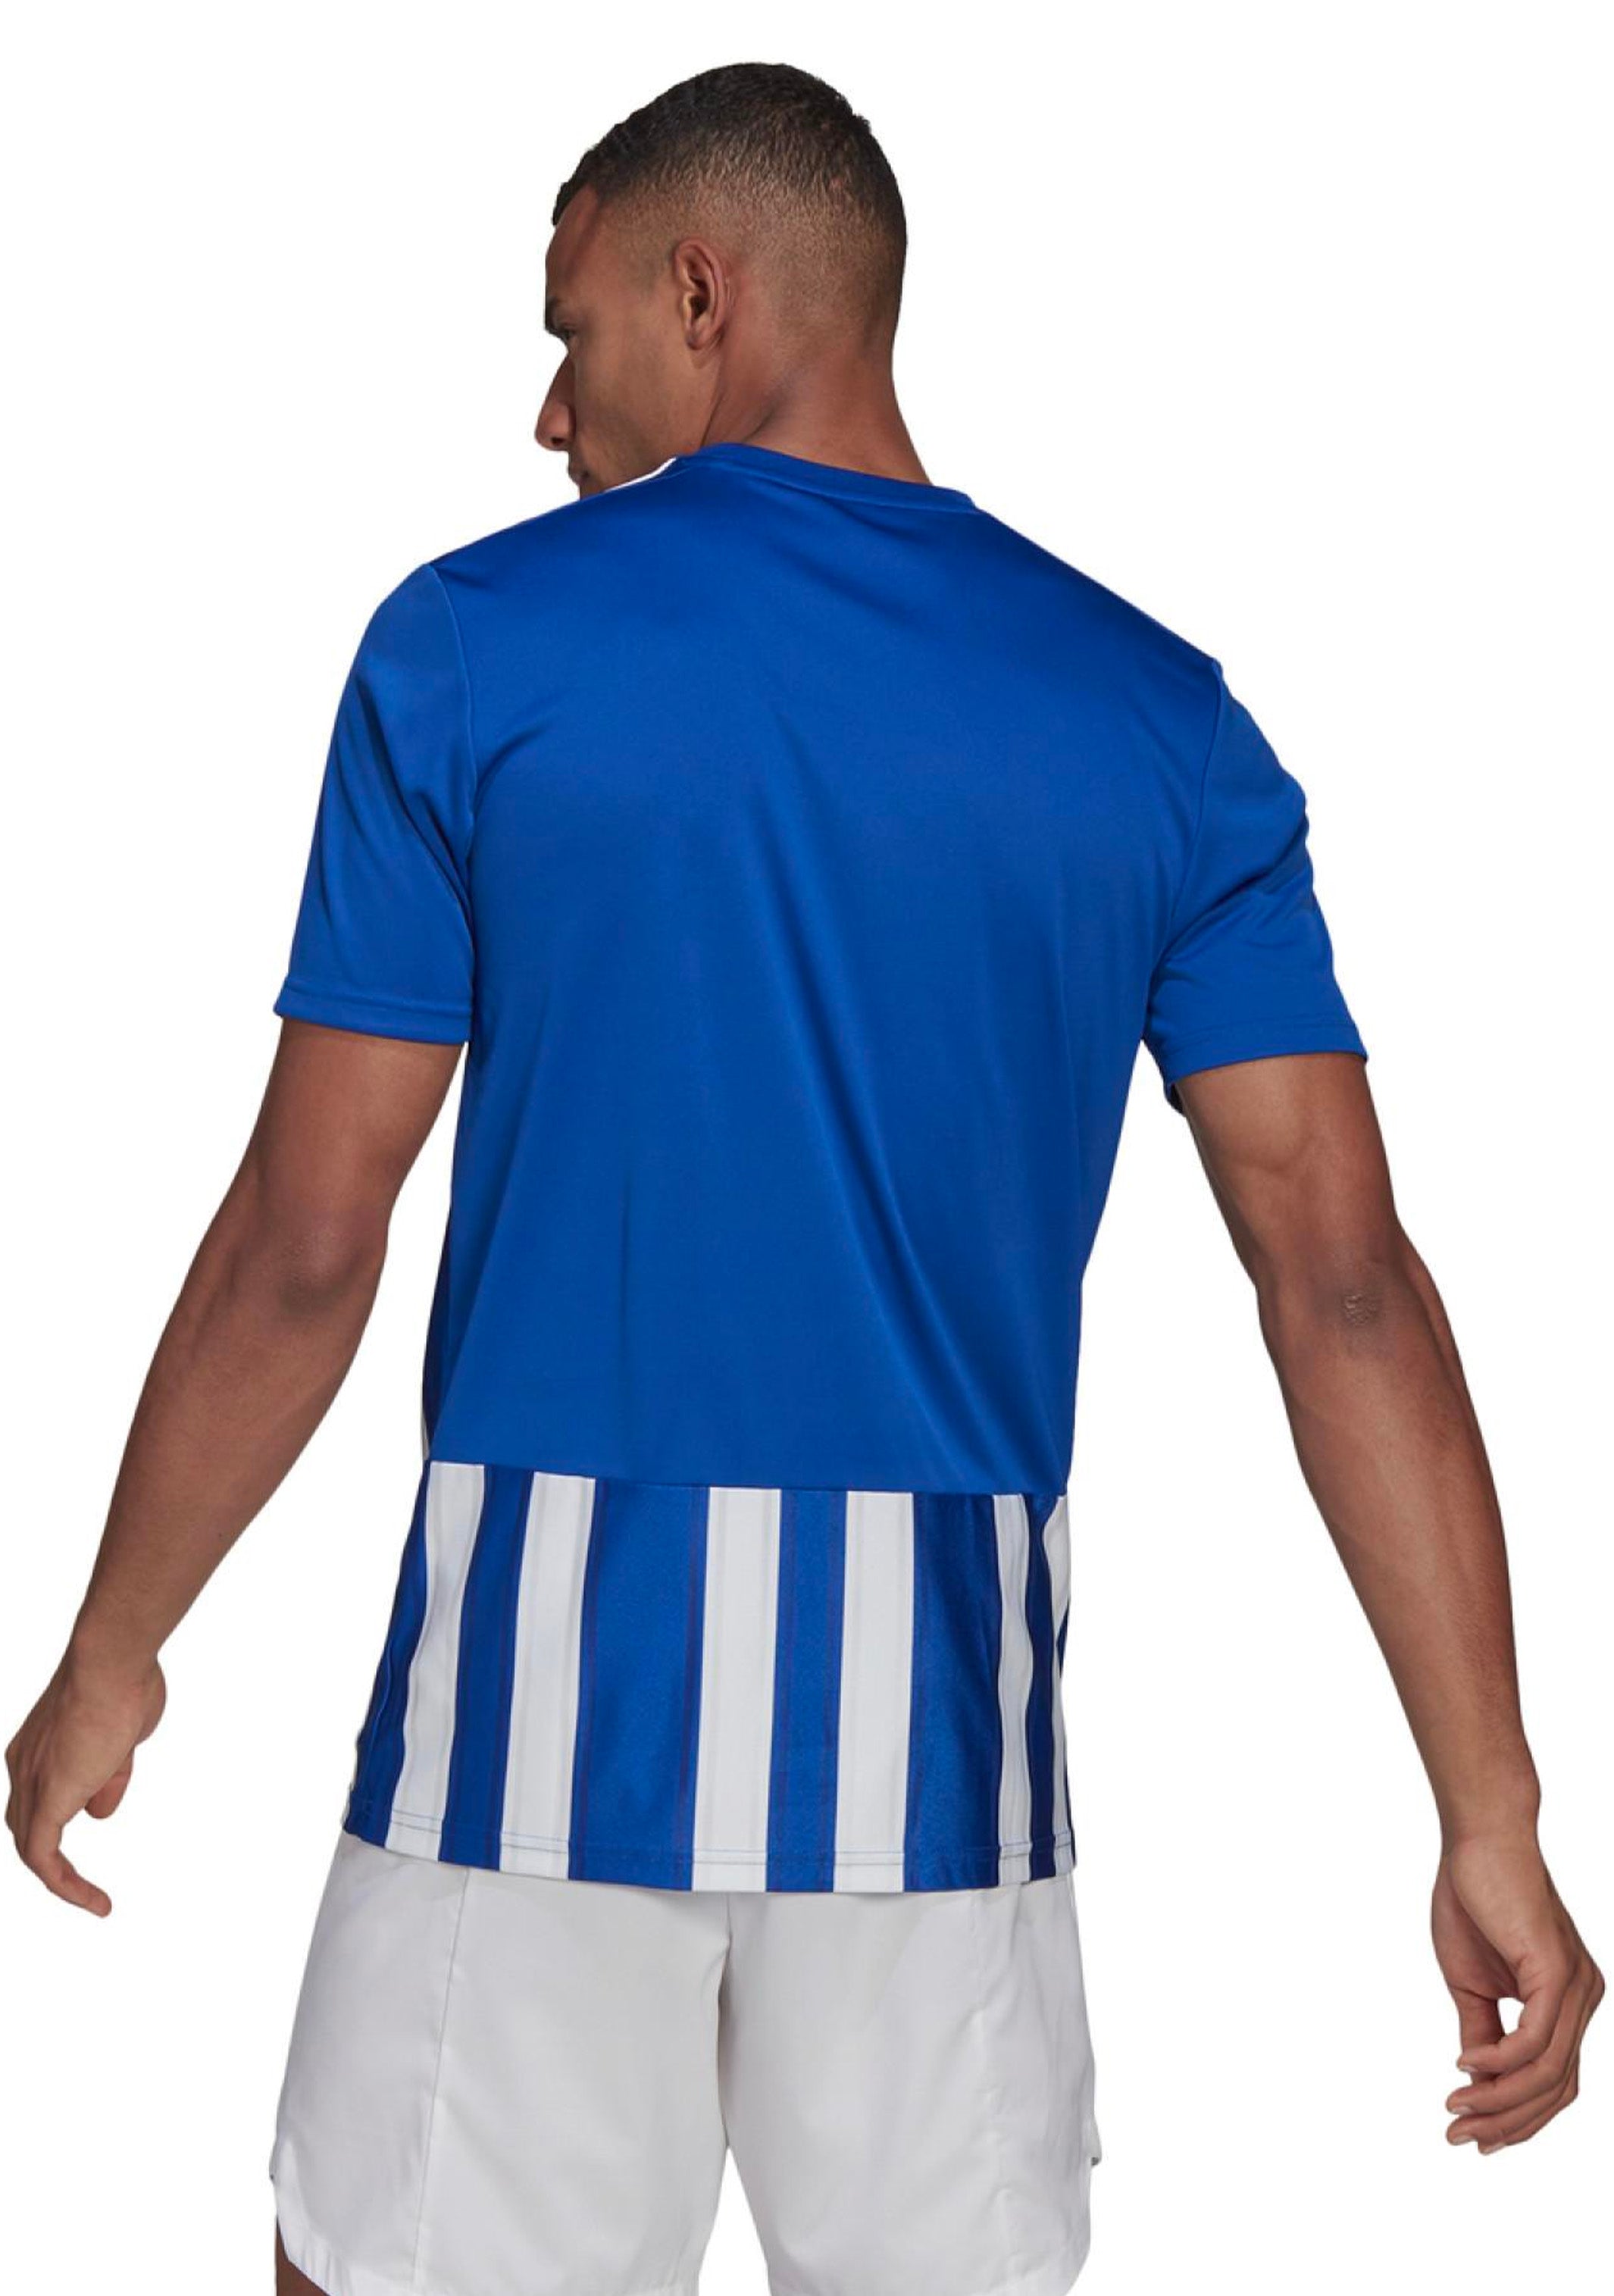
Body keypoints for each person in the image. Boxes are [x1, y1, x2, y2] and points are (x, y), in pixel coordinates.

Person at [5, 58, 1600, 2296]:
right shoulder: (1160, 723)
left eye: (567, 334)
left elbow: (303, 1245)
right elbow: (1339, 1285)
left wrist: (111, 1650)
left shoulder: (469, 651)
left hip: (532, 1738)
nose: (546, 414)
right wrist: (1489, 1807)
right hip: (937, 1766)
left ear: (700, 293)